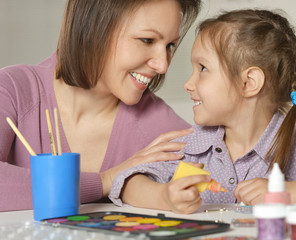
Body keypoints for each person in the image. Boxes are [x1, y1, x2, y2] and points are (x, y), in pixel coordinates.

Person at [108, 9, 296, 214]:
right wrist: (165, 196)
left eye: (202, 68)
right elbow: (129, 184)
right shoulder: (191, 148)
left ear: (249, 82)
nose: (188, 83)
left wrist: (286, 192)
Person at [0, 0, 202, 211]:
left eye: (170, 45)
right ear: (93, 28)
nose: (162, 65)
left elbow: (218, 186)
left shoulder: (162, 129)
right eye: (147, 40)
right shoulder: (12, 91)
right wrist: (105, 181)